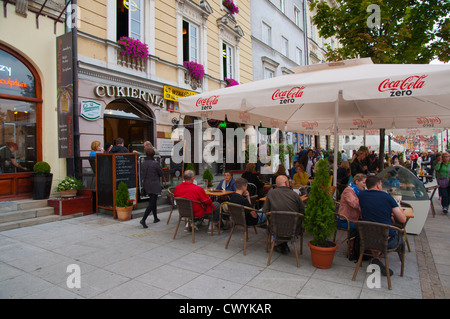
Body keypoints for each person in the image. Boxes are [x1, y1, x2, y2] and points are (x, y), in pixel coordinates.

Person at [358, 175, 407, 276]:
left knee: (379, 230)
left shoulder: (361, 195)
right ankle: (379, 258)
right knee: (400, 237)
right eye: (380, 184)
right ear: (377, 185)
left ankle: (376, 258)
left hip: (366, 238)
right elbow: (403, 219)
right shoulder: (387, 197)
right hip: (385, 240)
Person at [262, 175, 305, 254]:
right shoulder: (294, 194)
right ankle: (282, 245)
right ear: (286, 183)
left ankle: (281, 244)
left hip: (275, 227)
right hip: (293, 228)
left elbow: (265, 210)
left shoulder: (271, 194)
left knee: (276, 221)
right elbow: (303, 210)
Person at [139, 148, 163, 228]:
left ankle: (155, 218)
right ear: (153, 154)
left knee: (153, 201)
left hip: (146, 184)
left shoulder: (144, 163)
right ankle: (143, 219)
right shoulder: (155, 163)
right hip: (154, 185)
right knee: (152, 203)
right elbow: (161, 173)